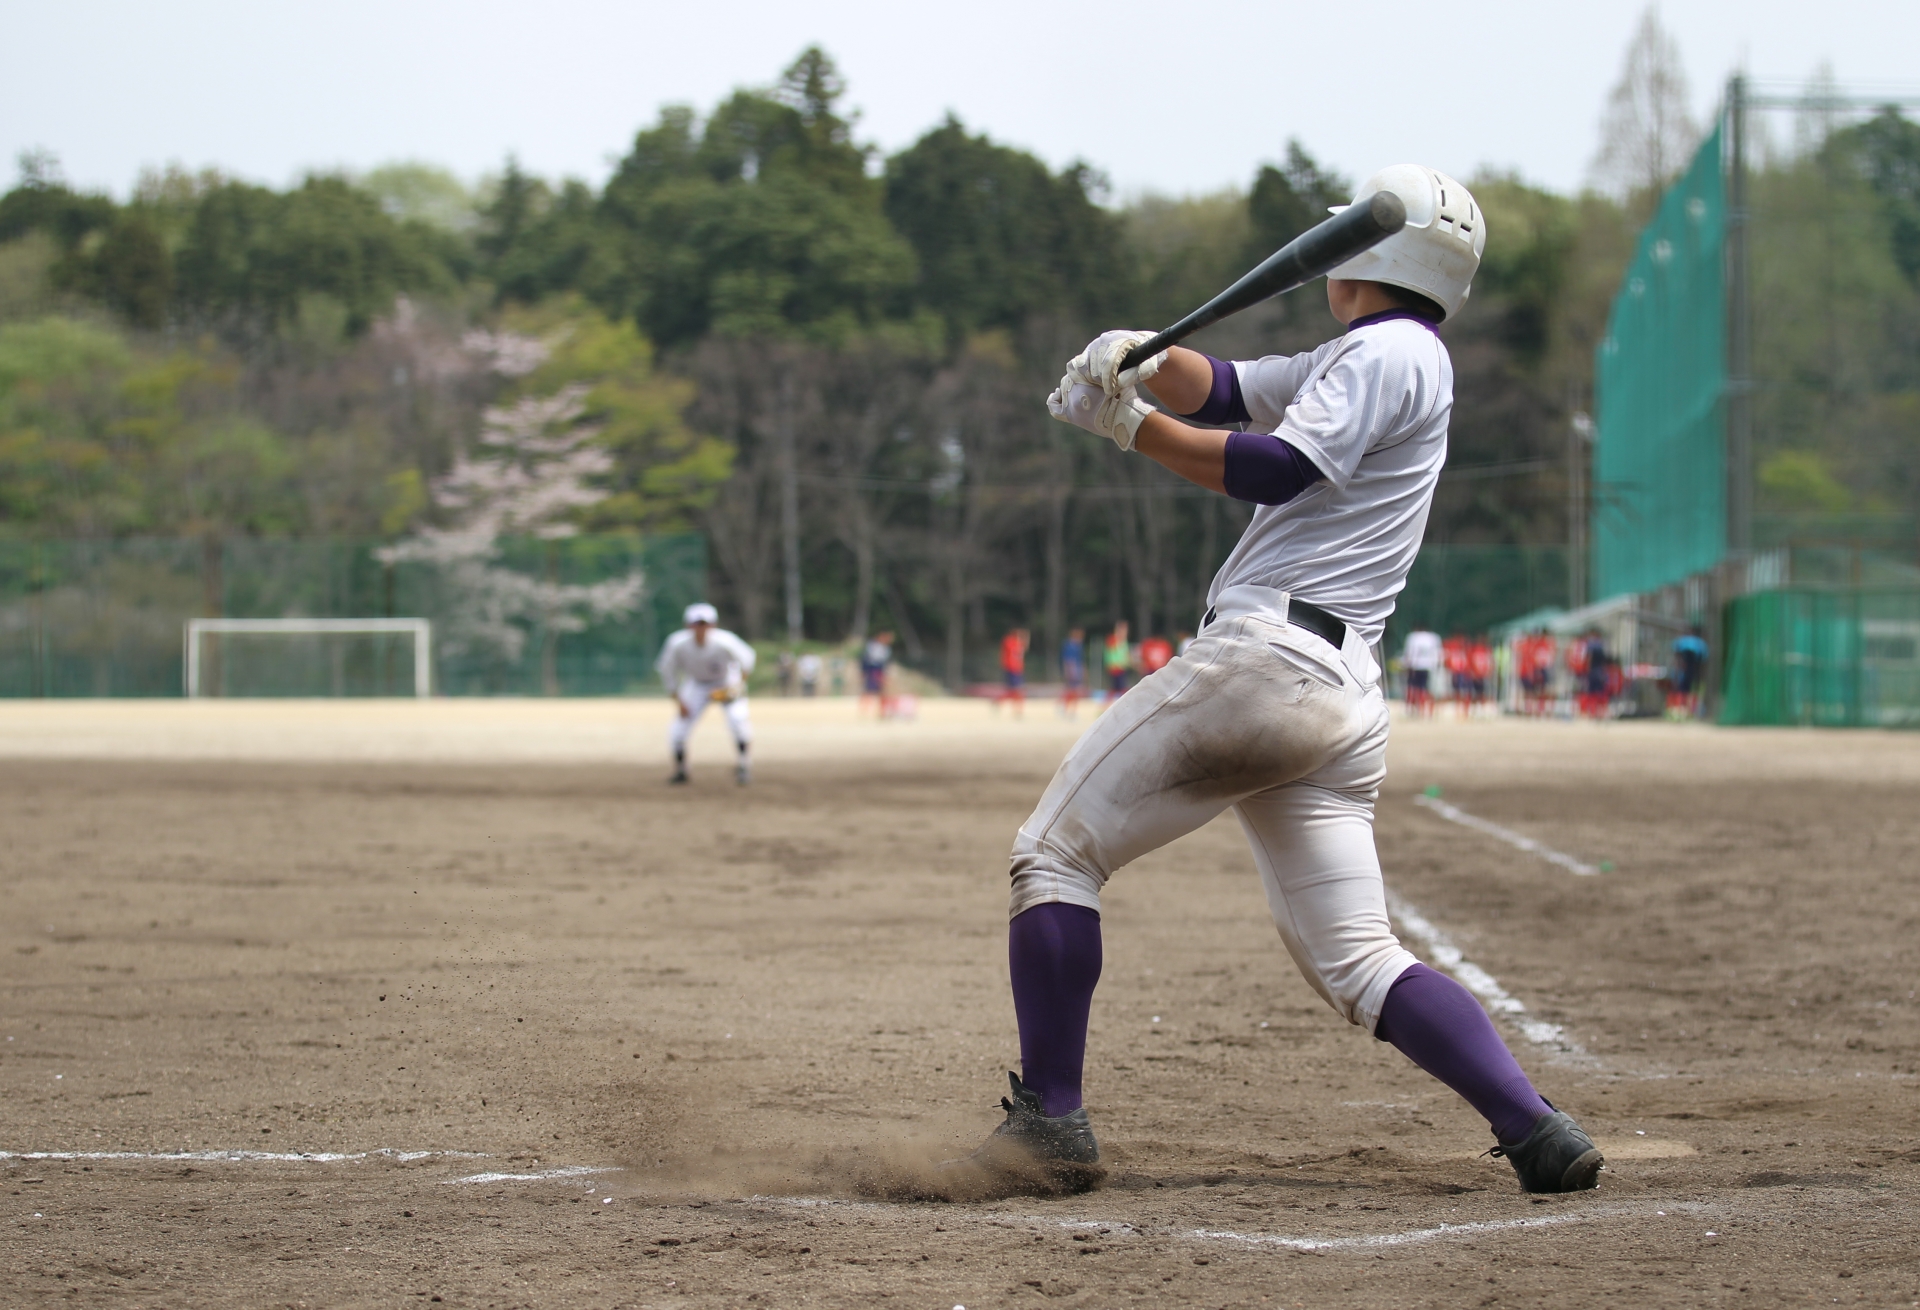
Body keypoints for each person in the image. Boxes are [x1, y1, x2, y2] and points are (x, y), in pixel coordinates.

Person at [949, 166, 1601, 1198]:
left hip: (1267, 666)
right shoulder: (1382, 353)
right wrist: (1144, 357)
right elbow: (1229, 388)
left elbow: (1273, 465)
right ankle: (1537, 1128)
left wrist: (1128, 428)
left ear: (1367, 256)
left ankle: (1051, 1121)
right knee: (1361, 958)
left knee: (1054, 854)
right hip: (1337, 695)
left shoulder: (1385, 353)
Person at [655, 602, 757, 786]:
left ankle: (744, 765)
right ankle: (681, 770)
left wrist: (736, 688)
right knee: (678, 729)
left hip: (726, 681)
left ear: (713, 625)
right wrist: (678, 701)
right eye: (697, 624)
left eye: (705, 624)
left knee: (738, 720)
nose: (701, 628)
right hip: (696, 684)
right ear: (688, 625)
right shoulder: (677, 643)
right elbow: (666, 670)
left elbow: (748, 658)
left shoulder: (725, 640)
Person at [1670, 625, 1708, 718]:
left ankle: (1687, 710)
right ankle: (1686, 710)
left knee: (1686, 690)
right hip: (1692, 670)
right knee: (1688, 690)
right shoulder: (1699, 643)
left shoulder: (1686, 642)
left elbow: (1677, 656)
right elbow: (1703, 660)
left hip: (1691, 670)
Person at [1403, 627, 1442, 717]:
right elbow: (1437, 653)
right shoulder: (1433, 637)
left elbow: (1409, 652)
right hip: (1428, 666)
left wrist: (1408, 664)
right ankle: (1423, 708)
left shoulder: (1413, 637)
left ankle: (1412, 708)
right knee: (1424, 688)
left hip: (1415, 666)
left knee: (1413, 688)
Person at [859, 632, 895, 718]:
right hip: (872, 669)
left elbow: (885, 663)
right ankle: (864, 710)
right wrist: (864, 671)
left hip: (880, 670)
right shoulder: (872, 646)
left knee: (882, 690)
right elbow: (865, 659)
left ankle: (882, 711)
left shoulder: (886, 649)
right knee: (869, 690)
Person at [998, 627, 1031, 716]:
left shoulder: (1018, 643)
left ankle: (1015, 707)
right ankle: (1003, 702)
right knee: (1015, 690)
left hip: (1018, 669)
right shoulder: (1009, 641)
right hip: (1011, 668)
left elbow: (1025, 647)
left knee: (1016, 690)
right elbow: (1012, 650)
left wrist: (1027, 637)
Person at [1059, 628, 1088, 718]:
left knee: (1074, 691)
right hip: (1072, 670)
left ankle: (1071, 710)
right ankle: (1066, 708)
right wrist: (1068, 671)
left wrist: (1083, 671)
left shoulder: (1079, 646)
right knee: (1072, 691)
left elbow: (1080, 661)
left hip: (1077, 670)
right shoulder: (1069, 646)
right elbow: (1067, 660)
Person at [1101, 621, 1133, 702]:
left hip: (1121, 668)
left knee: (1118, 689)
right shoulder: (1114, 639)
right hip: (1115, 668)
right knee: (1118, 688)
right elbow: (1111, 654)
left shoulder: (1123, 641)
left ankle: (1107, 703)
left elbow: (1125, 656)